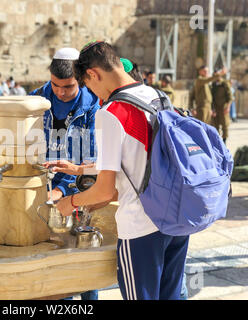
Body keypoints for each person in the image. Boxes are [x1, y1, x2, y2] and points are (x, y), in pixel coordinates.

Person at [53, 40, 189, 300]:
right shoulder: (158, 96)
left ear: (93, 74)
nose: (94, 94)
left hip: (141, 228)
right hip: (175, 218)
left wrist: (71, 202)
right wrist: (81, 170)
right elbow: (143, 161)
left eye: (89, 85)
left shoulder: (111, 112)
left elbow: (105, 191)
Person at [29, 47, 101, 300]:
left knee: (82, 254)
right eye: (56, 85)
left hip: (78, 189)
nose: (61, 92)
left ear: (80, 81)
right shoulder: (36, 100)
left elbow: (87, 158)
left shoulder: (92, 106)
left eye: (68, 87)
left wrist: (61, 189)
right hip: (42, 189)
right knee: (52, 256)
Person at [212, 74, 233, 143]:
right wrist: (212, 108)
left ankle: (224, 142)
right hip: (215, 108)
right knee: (215, 126)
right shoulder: (214, 84)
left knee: (224, 126)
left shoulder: (225, 83)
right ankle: (217, 142)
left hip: (224, 108)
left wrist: (228, 107)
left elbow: (230, 97)